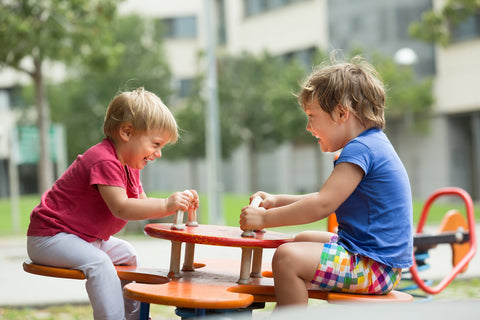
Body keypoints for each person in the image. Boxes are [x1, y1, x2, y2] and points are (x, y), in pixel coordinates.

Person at [239, 55, 413, 307]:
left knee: (287, 257)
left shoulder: (361, 149)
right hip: (373, 260)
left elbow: (322, 205)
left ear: (342, 113)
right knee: (301, 241)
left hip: (373, 267)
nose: (309, 127)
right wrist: (276, 202)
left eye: (312, 115)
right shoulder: (371, 144)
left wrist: (265, 219)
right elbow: (325, 197)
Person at [27, 87, 199, 320]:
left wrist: (179, 205)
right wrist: (168, 204)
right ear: (127, 132)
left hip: (82, 238)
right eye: (156, 144)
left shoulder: (129, 164)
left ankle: (133, 316)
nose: (158, 154)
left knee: (126, 254)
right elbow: (122, 207)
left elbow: (141, 206)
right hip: (50, 236)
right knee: (100, 263)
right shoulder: (104, 160)